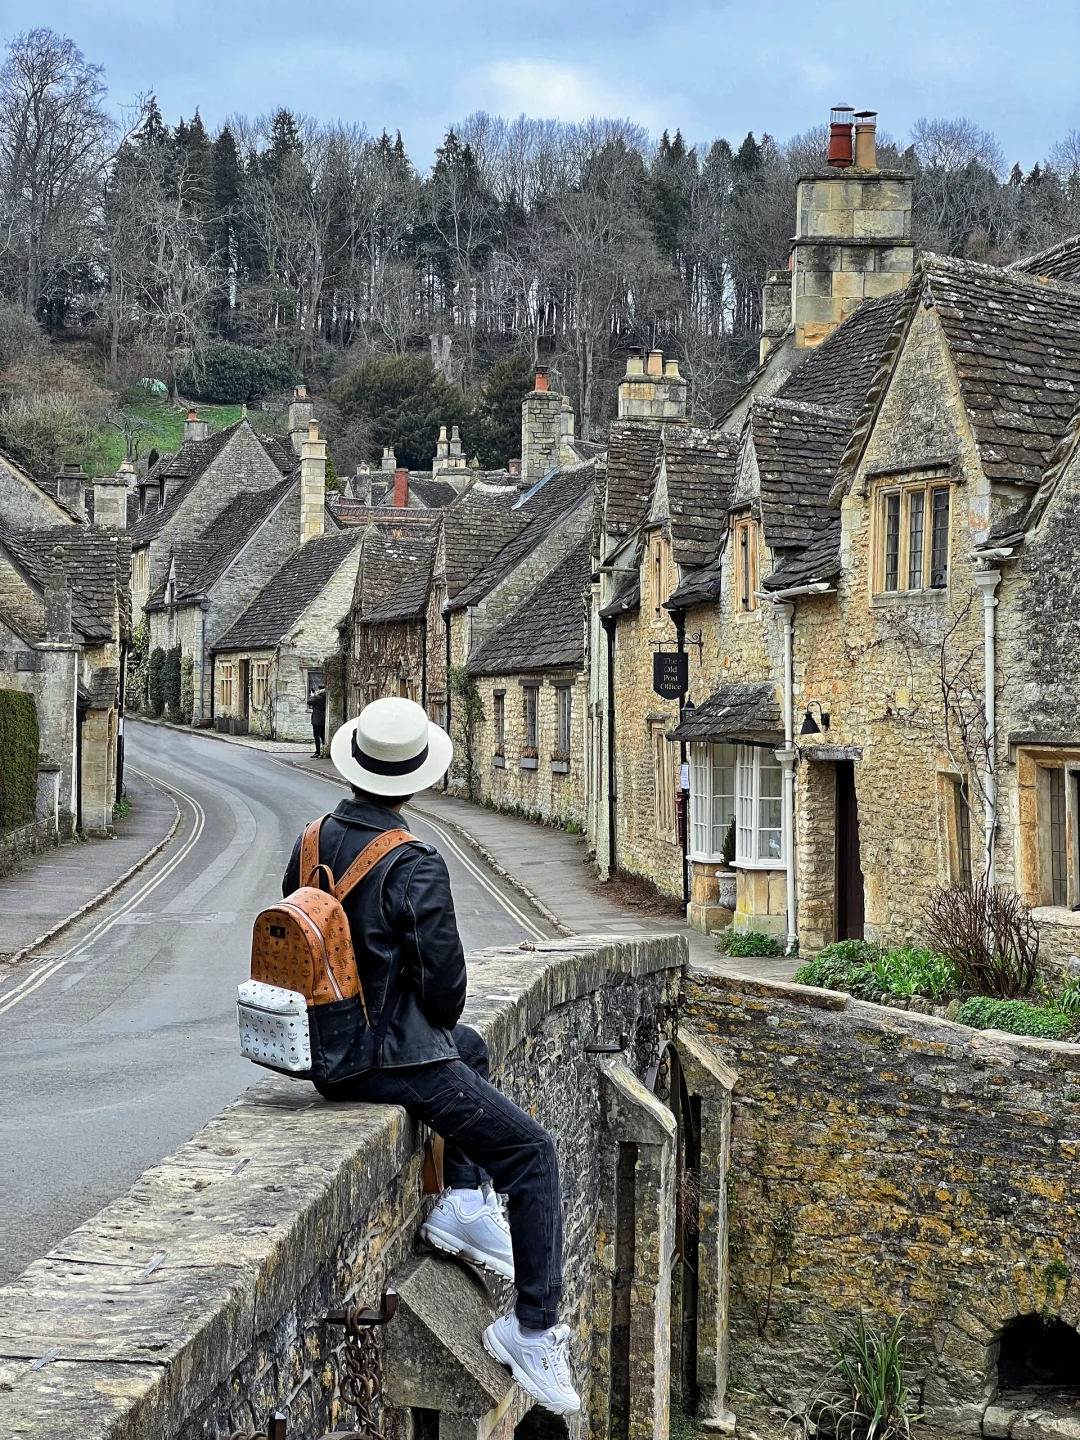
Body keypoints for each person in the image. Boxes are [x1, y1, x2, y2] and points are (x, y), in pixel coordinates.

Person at [282, 697, 581, 1417]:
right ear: (413, 779)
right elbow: (444, 992)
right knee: (534, 1153)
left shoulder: (313, 840)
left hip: (326, 1049)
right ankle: (533, 1330)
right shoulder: (412, 860)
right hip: (391, 1062)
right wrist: (421, 1027)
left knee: (471, 1051)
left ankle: (464, 1201)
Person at [307, 682, 327, 758]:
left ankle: (317, 751)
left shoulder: (317, 697)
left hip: (317, 720)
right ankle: (324, 749)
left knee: (316, 736)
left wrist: (312, 695)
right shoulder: (325, 697)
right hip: (323, 719)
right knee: (323, 736)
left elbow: (309, 702)